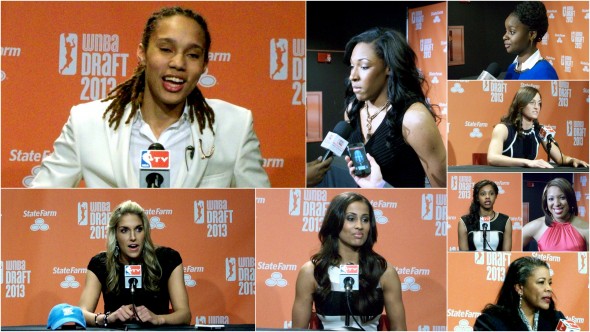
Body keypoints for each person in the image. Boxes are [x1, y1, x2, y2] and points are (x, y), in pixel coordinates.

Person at [31, 7, 269, 188]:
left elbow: (262, 213)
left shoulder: (235, 126)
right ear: (142, 53)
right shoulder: (87, 121)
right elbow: (38, 200)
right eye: (166, 49)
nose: (178, 63)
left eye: (193, 54)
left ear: (204, 64)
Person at [337, 27, 446, 188]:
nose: (353, 76)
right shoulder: (352, 110)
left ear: (388, 67)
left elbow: (443, 194)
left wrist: (381, 187)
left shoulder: (414, 118)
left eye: (364, 67)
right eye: (352, 66)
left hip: (406, 211)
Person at [291, 192, 406, 330]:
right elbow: (298, 329)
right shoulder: (312, 272)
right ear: (335, 222)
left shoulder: (384, 272)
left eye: (365, 219)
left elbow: (399, 329)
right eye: (351, 218)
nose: (359, 226)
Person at [79, 200, 191, 327]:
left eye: (138, 229)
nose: (133, 237)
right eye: (124, 230)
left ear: (146, 232)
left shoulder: (167, 259)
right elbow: (81, 313)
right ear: (115, 234)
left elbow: (185, 315)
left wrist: (159, 319)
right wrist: (107, 318)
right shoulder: (100, 263)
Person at [487, 86, 588, 168]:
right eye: (532, 103)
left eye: (539, 103)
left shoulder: (541, 130)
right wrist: (527, 162)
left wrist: (572, 160)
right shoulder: (503, 129)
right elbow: (492, 158)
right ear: (520, 105)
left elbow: (560, 158)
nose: (536, 107)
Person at [474, 256, 564, 330]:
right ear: (520, 288)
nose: (549, 288)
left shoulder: (557, 320)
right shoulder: (490, 322)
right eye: (541, 282)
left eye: (550, 283)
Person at [522, 178, 588, 251]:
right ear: (546, 202)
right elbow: (510, 253)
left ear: (570, 199)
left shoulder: (586, 228)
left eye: (562, 198)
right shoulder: (535, 226)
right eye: (551, 199)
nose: (556, 203)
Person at [503, 1, 558, 80]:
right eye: (506, 31)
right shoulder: (512, 68)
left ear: (532, 34)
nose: (504, 37)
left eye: (512, 32)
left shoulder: (545, 72)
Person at [458, 180, 512, 251]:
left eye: (491, 193)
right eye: (483, 194)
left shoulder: (505, 221)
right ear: (477, 197)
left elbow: (507, 255)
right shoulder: (464, 222)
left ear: (496, 196)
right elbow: (463, 256)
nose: (487, 197)